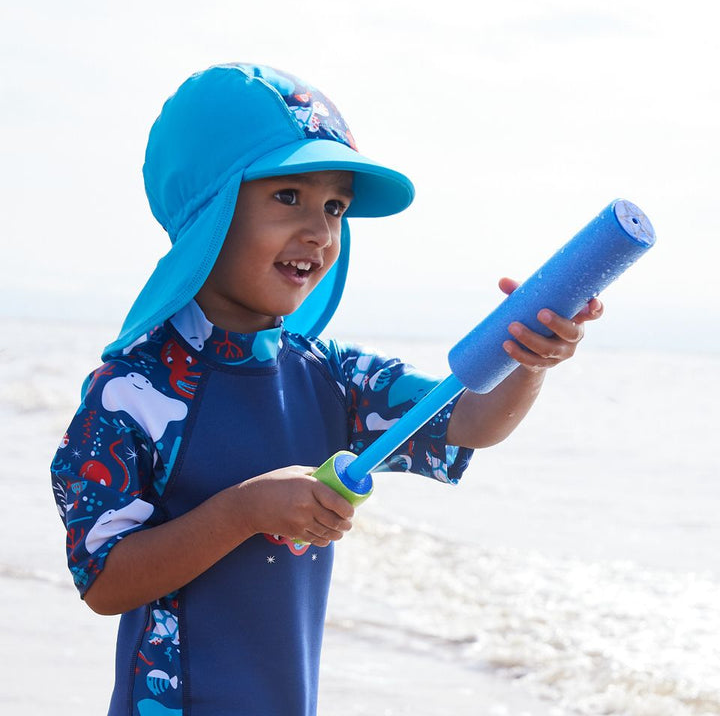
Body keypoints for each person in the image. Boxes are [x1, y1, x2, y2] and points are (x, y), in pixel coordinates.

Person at [50, 63, 602, 716]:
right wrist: (245, 510)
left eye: (335, 206)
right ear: (209, 210)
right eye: (289, 197)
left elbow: (470, 419)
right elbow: (105, 580)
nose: (319, 231)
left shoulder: (331, 376)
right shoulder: (131, 393)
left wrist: (528, 358)